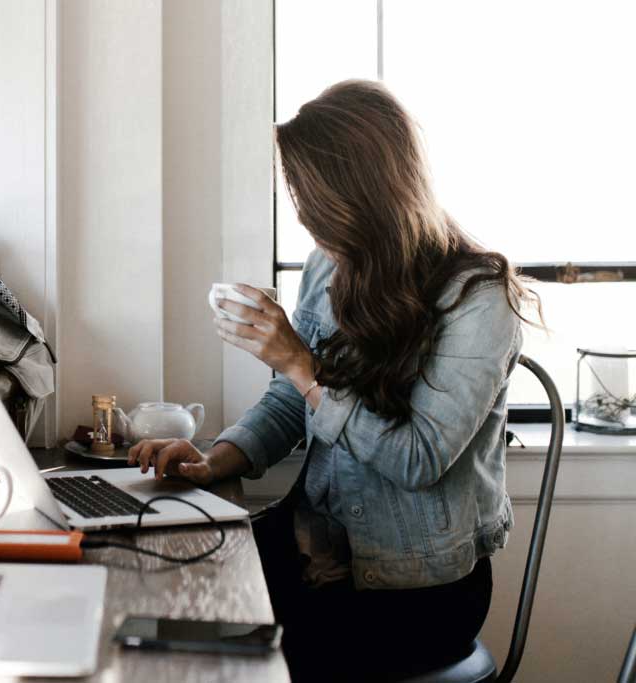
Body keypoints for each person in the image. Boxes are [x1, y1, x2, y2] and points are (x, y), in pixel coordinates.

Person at [128, 79, 541, 681]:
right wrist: (218, 458)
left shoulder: (478, 300)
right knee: (159, 587)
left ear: (364, 193)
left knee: (210, 648)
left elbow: (418, 459)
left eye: (311, 199)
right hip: (315, 546)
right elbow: (290, 399)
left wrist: (301, 363)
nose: (303, 216)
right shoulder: (331, 265)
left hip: (414, 592)